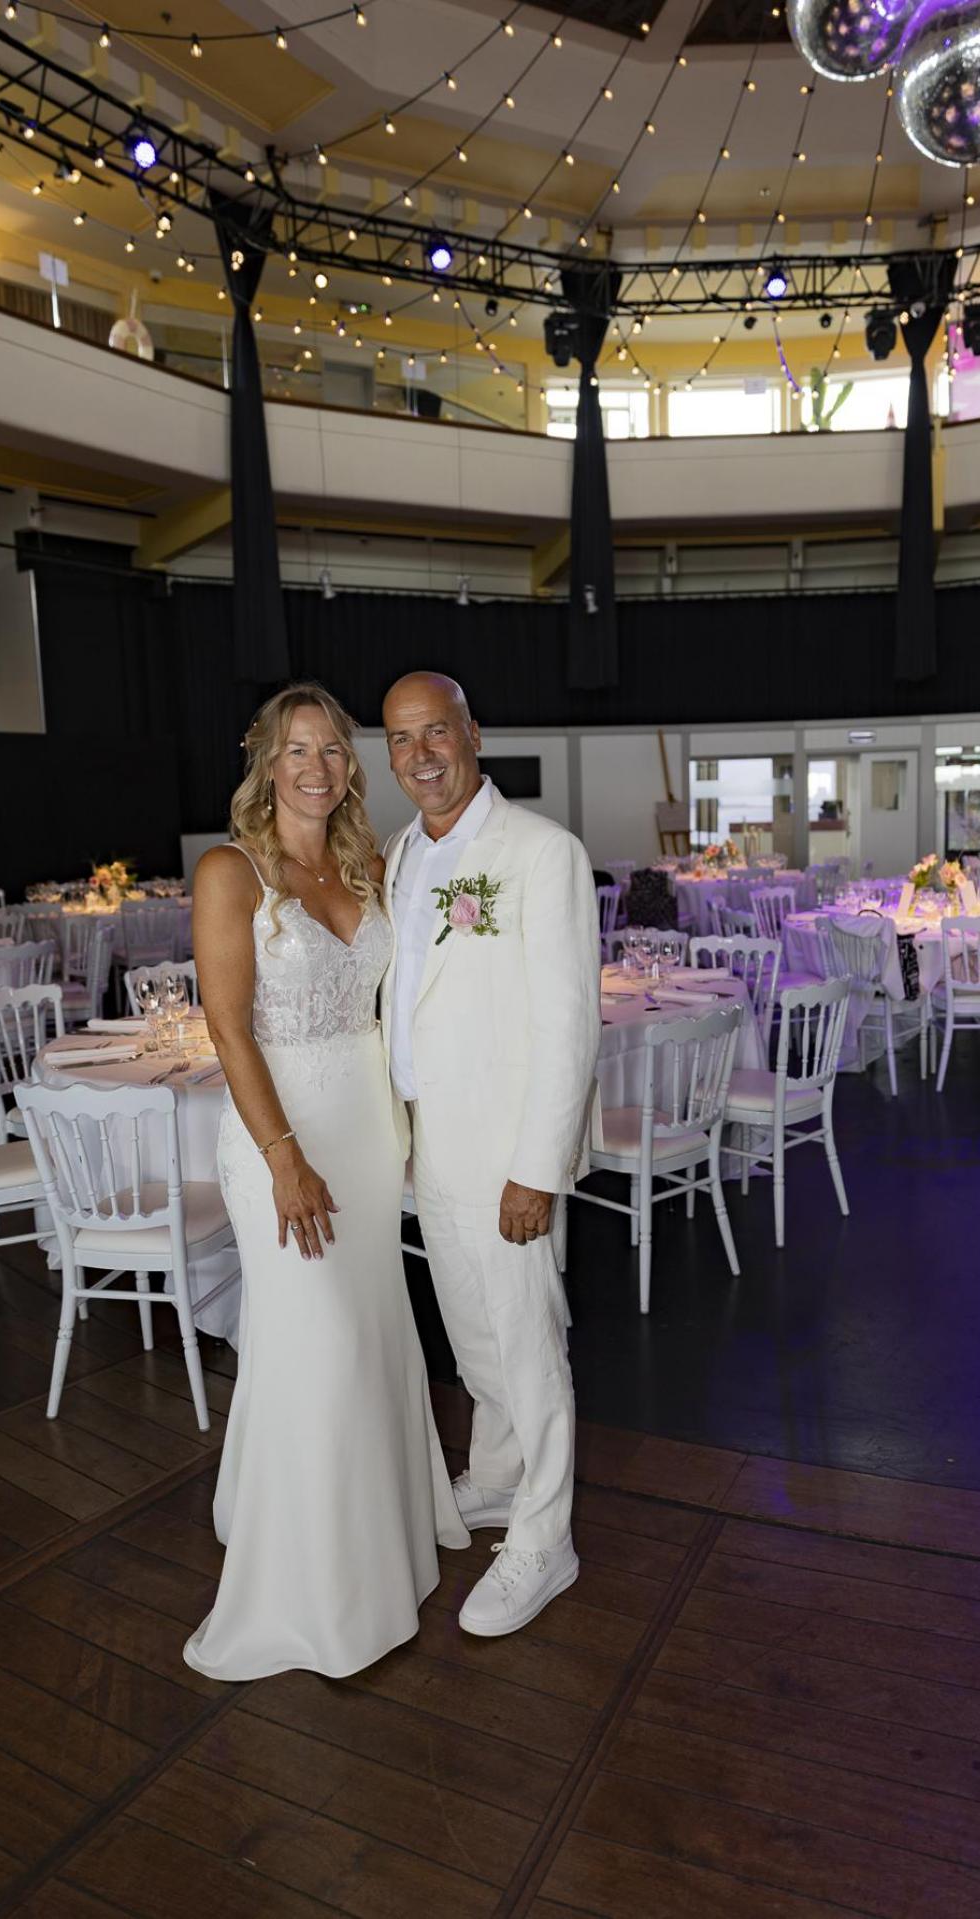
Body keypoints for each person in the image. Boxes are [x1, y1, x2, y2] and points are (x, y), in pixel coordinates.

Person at [184, 682, 467, 1682]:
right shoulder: (229, 871)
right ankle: (319, 1593)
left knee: (372, 1335)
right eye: (297, 750)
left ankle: (386, 1543)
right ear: (267, 764)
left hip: (367, 1134)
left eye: (333, 750)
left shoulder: (368, 864)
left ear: (351, 767)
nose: (317, 767)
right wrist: (283, 1158)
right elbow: (227, 1028)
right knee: (323, 1346)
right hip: (284, 1142)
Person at [381, 672, 601, 1637]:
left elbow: (569, 1025)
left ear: (473, 732)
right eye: (400, 739)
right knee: (473, 1338)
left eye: (436, 731)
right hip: (428, 1144)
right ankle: (503, 1476)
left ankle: (546, 1538)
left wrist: (537, 1169)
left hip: (508, 1153)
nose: (421, 755)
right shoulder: (400, 852)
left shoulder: (541, 852)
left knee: (527, 1342)